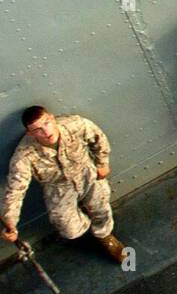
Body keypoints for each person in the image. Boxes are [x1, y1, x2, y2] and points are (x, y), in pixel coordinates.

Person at [1, 107, 126, 261]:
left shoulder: (74, 124)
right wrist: (10, 224)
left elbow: (98, 137)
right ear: (30, 133)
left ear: (52, 118)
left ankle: (104, 235)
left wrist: (102, 163)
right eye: (38, 130)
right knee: (69, 230)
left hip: (85, 173)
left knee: (101, 208)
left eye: (47, 123)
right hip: (58, 188)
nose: (46, 132)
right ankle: (84, 218)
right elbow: (15, 191)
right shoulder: (23, 156)